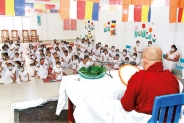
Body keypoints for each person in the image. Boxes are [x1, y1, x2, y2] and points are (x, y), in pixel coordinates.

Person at [120, 46, 180, 122]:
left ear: (144, 60)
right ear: (161, 60)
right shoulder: (173, 79)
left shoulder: (138, 77)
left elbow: (127, 106)